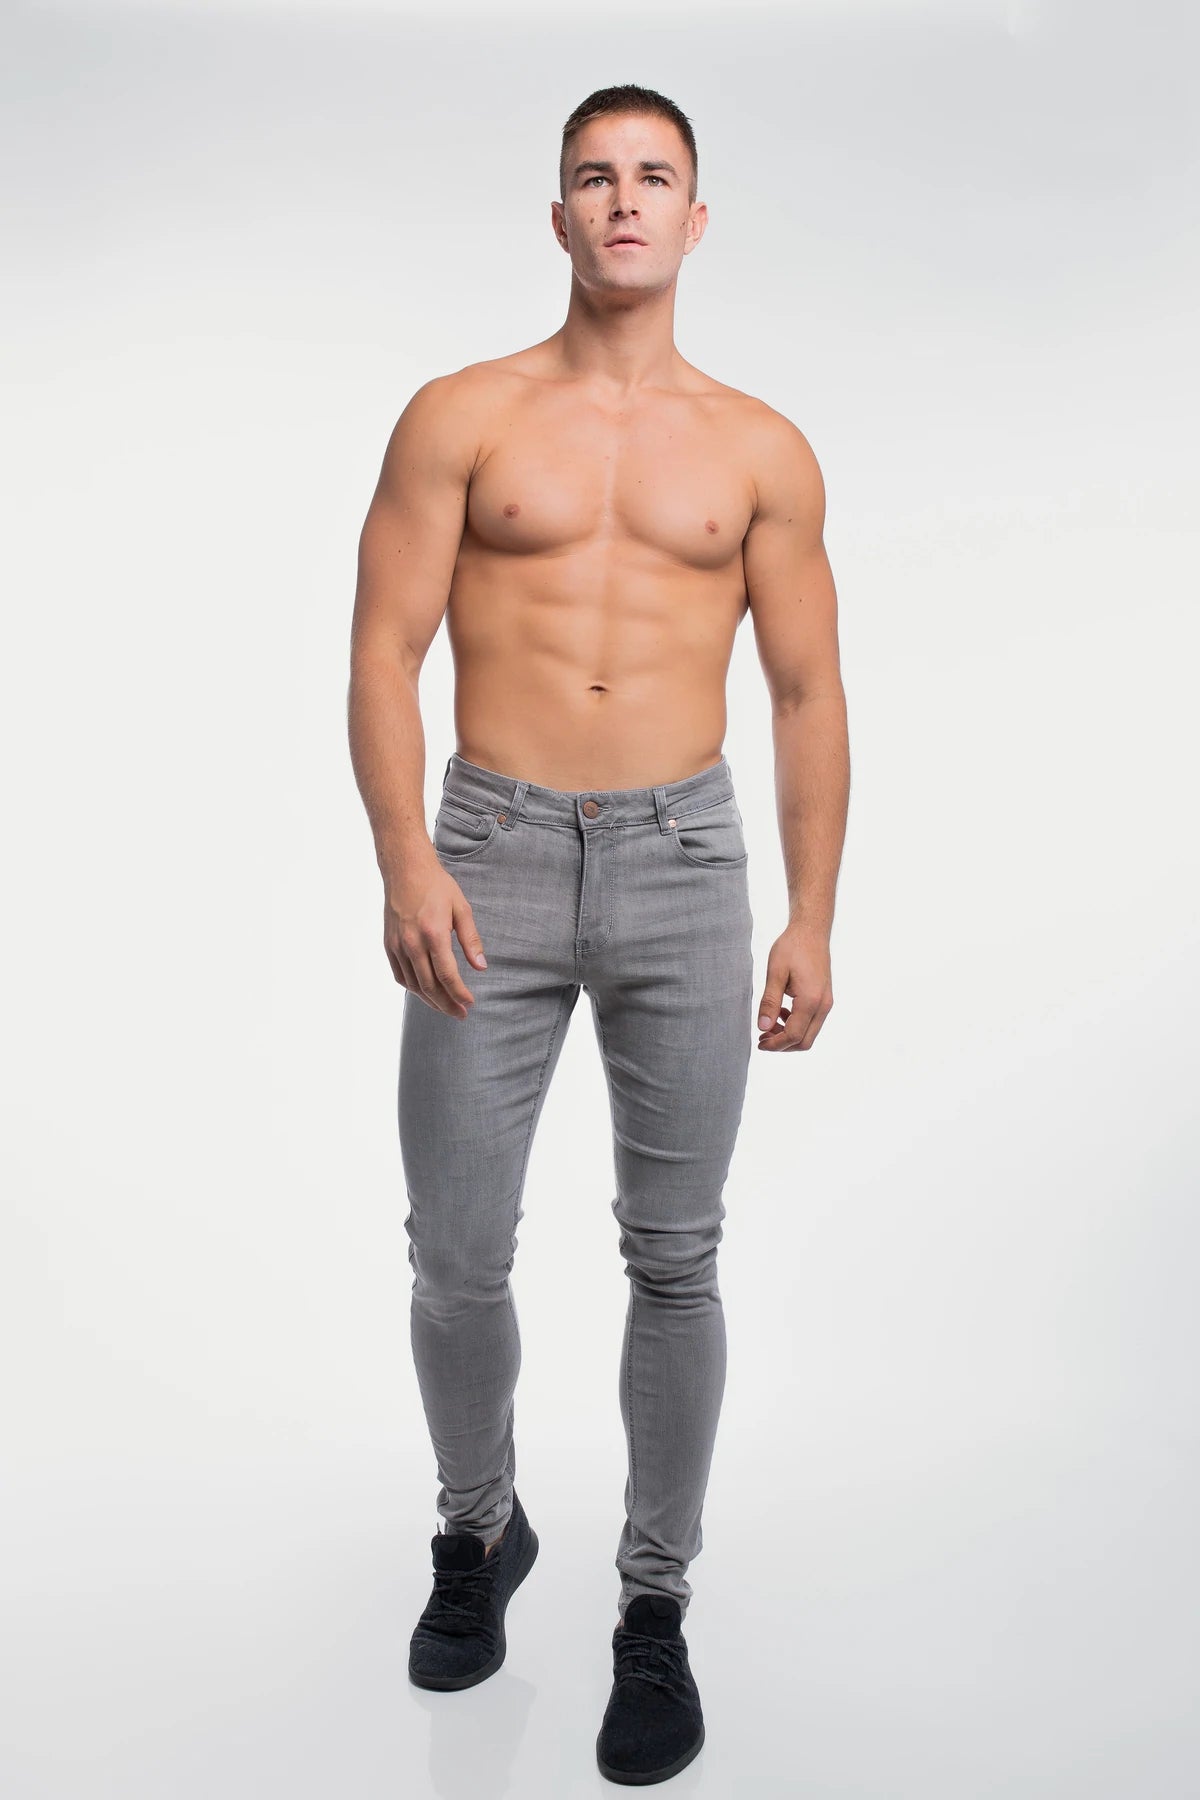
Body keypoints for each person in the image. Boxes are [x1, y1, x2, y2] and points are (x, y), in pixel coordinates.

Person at [347, 81, 849, 1787]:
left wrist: (814, 915)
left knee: (676, 1253)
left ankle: (654, 1605)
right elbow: (382, 650)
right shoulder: (462, 415)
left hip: (683, 861)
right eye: (593, 176)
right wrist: (406, 859)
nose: (623, 201)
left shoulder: (761, 449)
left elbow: (805, 691)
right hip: (488, 852)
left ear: (695, 221)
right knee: (454, 1250)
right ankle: (478, 1529)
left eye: (653, 178)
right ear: (556, 215)